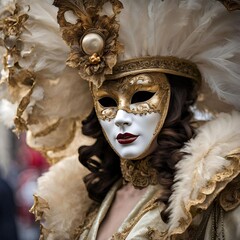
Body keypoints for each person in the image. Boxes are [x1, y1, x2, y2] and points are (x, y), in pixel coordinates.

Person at [0, 0, 239, 239]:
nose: (121, 118)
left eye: (141, 97)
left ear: (173, 104)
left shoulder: (209, 194)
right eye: (107, 103)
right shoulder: (87, 199)